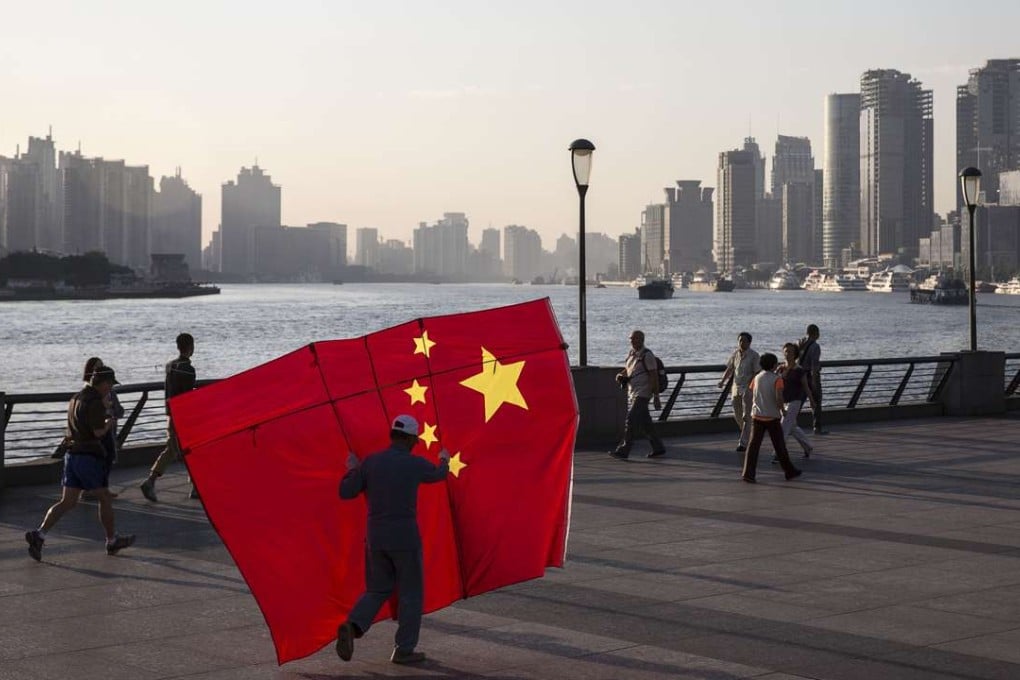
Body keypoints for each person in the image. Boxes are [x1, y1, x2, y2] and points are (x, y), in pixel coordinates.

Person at [335, 415, 450, 665]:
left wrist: (353, 468)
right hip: (405, 539)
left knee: (377, 589)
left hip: (376, 539)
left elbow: (346, 492)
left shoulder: (371, 462)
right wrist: (445, 460)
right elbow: (439, 475)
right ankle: (404, 649)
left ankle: (353, 626)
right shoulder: (414, 464)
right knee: (410, 594)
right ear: (410, 439)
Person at [25, 366, 136, 561]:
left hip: (72, 456)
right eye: (110, 385)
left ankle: (39, 534)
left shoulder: (76, 398)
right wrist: (109, 420)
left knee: (67, 501)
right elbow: (98, 433)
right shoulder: (95, 403)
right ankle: (111, 540)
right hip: (88, 457)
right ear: (104, 383)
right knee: (104, 497)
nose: (110, 389)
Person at [140, 333, 197, 502]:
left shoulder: (169, 365)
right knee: (181, 449)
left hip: (170, 414)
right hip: (183, 417)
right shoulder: (188, 369)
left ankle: (195, 485)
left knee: (182, 449)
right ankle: (150, 481)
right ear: (191, 347)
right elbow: (188, 396)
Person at [741, 353, 802, 483]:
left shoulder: (756, 378)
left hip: (757, 416)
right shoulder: (777, 380)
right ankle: (789, 471)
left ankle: (748, 473)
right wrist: (782, 410)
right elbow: (779, 398)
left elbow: (753, 392)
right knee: (780, 445)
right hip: (772, 417)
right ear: (774, 365)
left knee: (753, 447)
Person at [609, 330, 666, 460]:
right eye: (631, 339)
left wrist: (656, 396)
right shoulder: (632, 354)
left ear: (642, 340)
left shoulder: (648, 355)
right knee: (646, 423)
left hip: (643, 393)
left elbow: (653, 376)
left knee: (631, 419)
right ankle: (658, 447)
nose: (632, 341)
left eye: (635, 339)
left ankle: (624, 449)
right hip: (633, 392)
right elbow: (630, 370)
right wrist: (621, 374)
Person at [82, 357, 124, 498]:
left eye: (101, 367)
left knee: (107, 458)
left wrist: (112, 411)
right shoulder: (89, 395)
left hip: (108, 429)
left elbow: (119, 410)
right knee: (97, 459)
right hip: (97, 431)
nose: (97, 371)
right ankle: (92, 489)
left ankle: (101, 488)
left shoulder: (109, 392)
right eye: (95, 368)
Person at [717, 332, 759, 452]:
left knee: (746, 416)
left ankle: (743, 443)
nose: (741, 343)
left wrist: (751, 387)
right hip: (736, 387)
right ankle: (749, 434)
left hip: (748, 388)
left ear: (749, 342)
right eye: (740, 340)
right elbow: (730, 369)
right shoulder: (735, 354)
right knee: (737, 414)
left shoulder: (754, 355)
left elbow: (757, 373)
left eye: (744, 341)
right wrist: (722, 381)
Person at [777, 343, 817, 458]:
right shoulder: (781, 368)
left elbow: (806, 387)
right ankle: (808, 446)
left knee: (783, 426)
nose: (787, 354)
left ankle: (778, 453)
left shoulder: (799, 370)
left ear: (795, 354)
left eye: (790, 351)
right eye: (785, 351)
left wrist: (811, 401)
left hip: (795, 401)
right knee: (792, 427)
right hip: (783, 401)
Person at [798, 324, 826, 434]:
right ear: (817, 333)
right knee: (816, 401)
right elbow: (814, 366)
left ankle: (789, 423)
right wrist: (814, 382)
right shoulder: (815, 346)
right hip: (810, 376)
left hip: (799, 375)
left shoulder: (799, 343)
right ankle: (817, 427)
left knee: (798, 402)